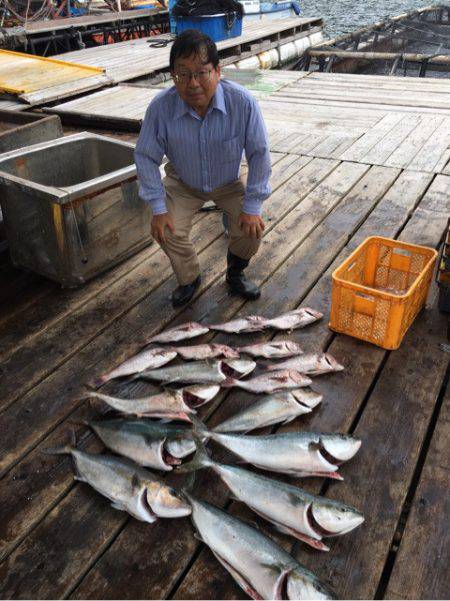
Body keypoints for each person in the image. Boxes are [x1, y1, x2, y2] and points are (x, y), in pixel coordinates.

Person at [135, 29, 271, 308]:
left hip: (228, 181)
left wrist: (253, 205)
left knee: (251, 228)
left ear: (218, 72)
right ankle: (190, 278)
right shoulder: (160, 107)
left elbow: (258, 154)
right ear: (172, 75)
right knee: (166, 229)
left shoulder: (243, 103)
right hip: (182, 181)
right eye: (182, 74)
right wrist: (158, 209)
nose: (192, 83)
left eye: (201, 73)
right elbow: (146, 156)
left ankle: (235, 272)